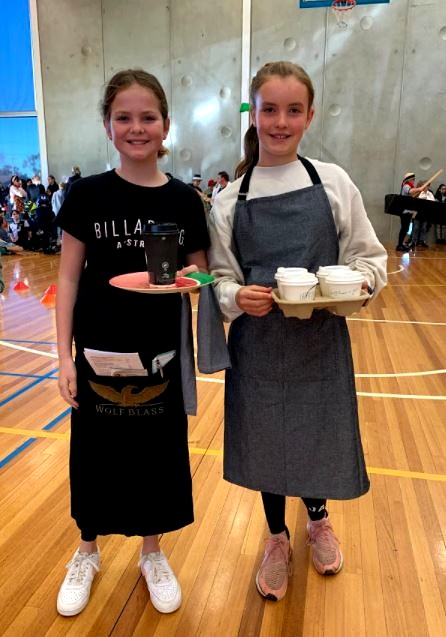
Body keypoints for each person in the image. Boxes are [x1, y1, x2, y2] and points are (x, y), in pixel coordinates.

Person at [208, 61, 387, 602]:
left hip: (320, 342)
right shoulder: (229, 200)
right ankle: (276, 538)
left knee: (317, 432)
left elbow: (369, 258)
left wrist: (357, 285)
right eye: (269, 109)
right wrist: (235, 297)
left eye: (292, 110)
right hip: (257, 346)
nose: (280, 122)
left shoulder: (332, 182)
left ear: (309, 116)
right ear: (254, 114)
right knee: (265, 441)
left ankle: (318, 520)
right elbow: (219, 279)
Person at [55, 68, 209, 617]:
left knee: (156, 453)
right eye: (124, 117)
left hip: (160, 352)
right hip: (98, 348)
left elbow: (202, 274)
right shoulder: (86, 195)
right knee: (94, 452)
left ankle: (152, 553)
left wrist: (192, 279)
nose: (136, 128)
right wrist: (62, 357)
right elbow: (67, 278)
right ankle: (86, 551)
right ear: (107, 125)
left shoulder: (186, 200)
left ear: (165, 125)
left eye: (148, 117)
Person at [396, 172, 426, 251]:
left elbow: (413, 196)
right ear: (409, 180)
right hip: (404, 210)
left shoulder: (410, 186)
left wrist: (419, 192)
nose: (414, 181)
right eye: (413, 179)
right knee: (404, 228)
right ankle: (399, 245)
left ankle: (401, 244)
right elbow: (410, 191)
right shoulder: (406, 186)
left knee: (406, 228)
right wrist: (419, 188)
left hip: (408, 210)